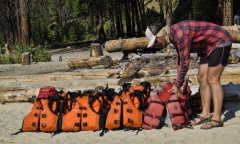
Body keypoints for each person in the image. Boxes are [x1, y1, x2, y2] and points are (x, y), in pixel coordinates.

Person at [145, 20, 232, 129]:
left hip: (220, 40)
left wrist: (177, 85)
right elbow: (180, 61)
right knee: (201, 77)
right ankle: (205, 114)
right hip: (207, 47)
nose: (156, 45)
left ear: (161, 35)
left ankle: (217, 118)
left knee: (212, 78)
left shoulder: (181, 35)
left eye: (155, 41)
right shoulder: (173, 35)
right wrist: (177, 83)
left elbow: (185, 62)